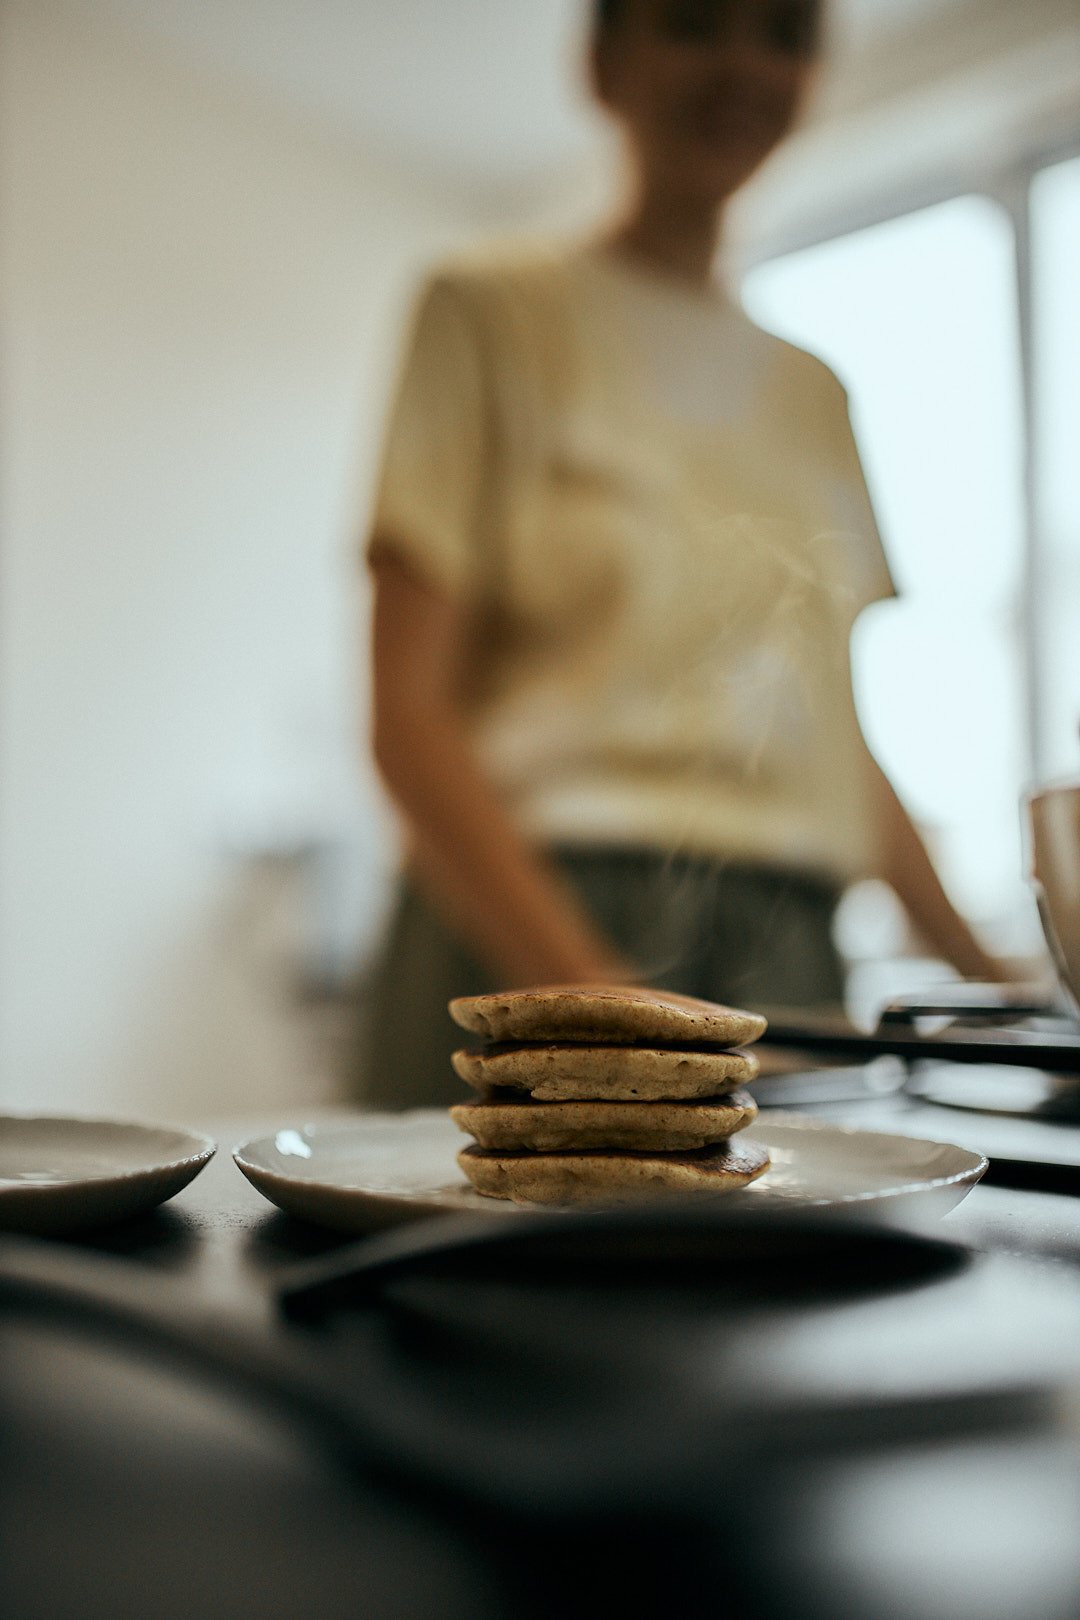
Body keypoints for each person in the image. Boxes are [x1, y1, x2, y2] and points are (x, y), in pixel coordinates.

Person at [360, 0, 1005, 1108]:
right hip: (529, 938)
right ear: (606, 63)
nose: (744, 64)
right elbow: (409, 719)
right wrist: (603, 1011)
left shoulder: (819, 396)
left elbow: (835, 749)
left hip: (789, 961)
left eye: (786, 33)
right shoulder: (489, 314)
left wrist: (1005, 995)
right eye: (697, 21)